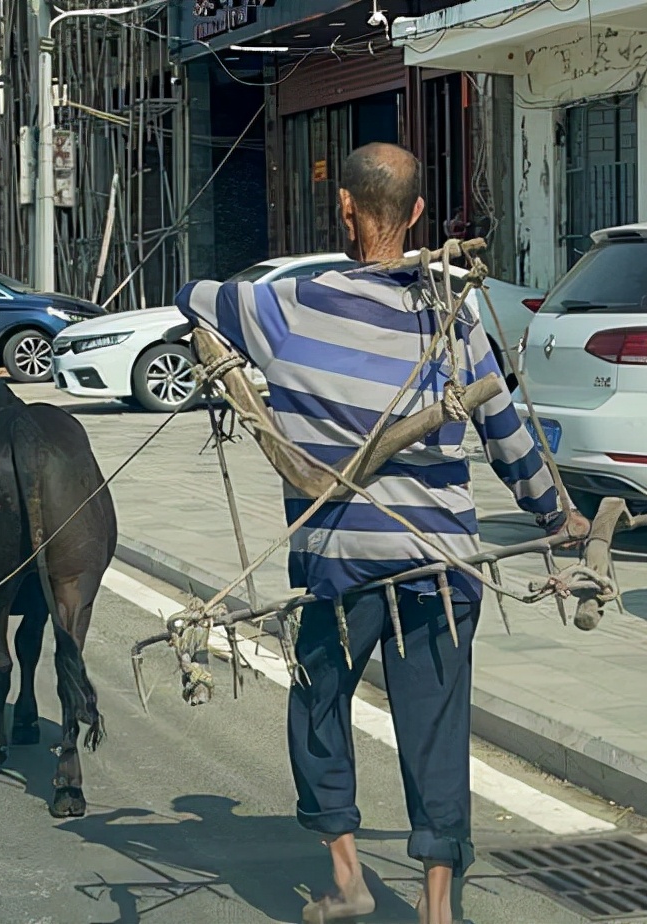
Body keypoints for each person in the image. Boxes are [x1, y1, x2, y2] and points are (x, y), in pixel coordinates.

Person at [174, 142, 585, 924]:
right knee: (437, 727)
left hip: (341, 568)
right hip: (441, 564)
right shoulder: (453, 325)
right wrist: (553, 517)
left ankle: (348, 879)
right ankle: (437, 909)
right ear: (421, 217)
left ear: (346, 210)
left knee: (318, 703)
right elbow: (509, 441)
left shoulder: (290, 308)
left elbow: (191, 295)